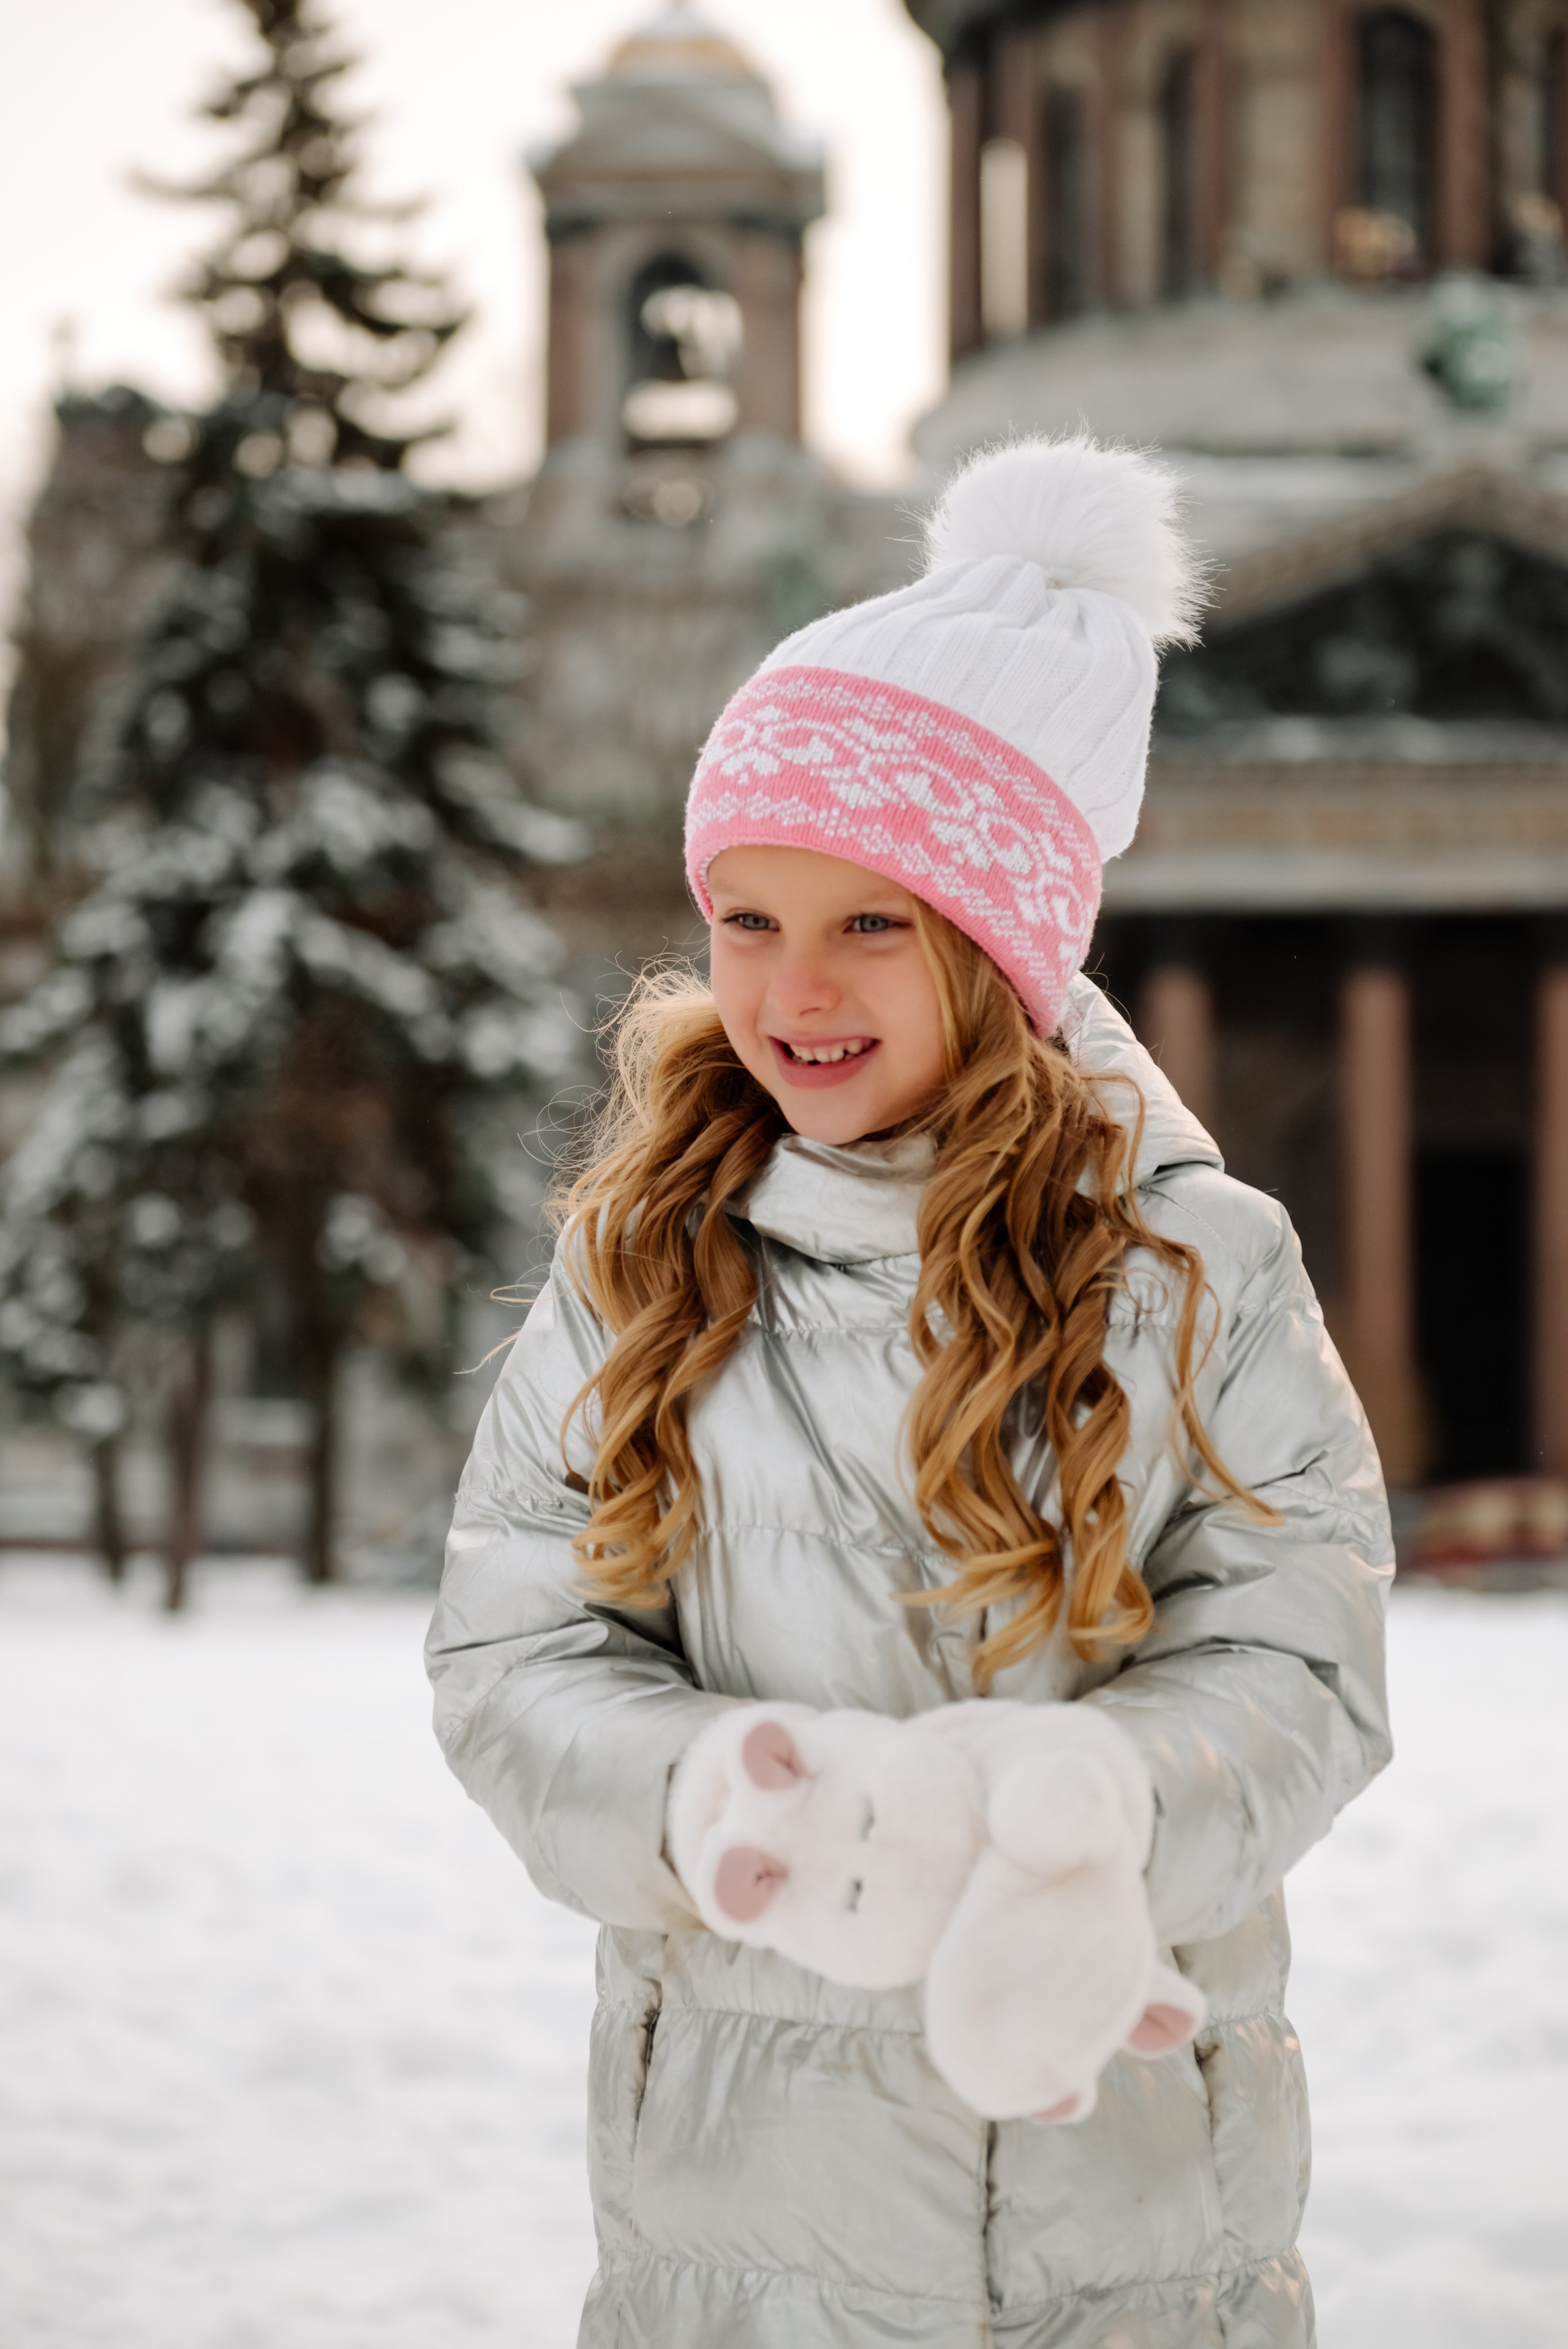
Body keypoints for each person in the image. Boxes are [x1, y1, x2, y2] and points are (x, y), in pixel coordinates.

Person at [426, 437, 1393, 2348]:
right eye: (748, 916)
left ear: (998, 937)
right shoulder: (641, 1266)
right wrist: (714, 1800)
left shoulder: (1198, 1266)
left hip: (1120, 2220)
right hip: (746, 2220)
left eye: (873, 918)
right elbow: (512, 1657)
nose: (796, 984)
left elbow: (1306, 1655)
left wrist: (1099, 1806)